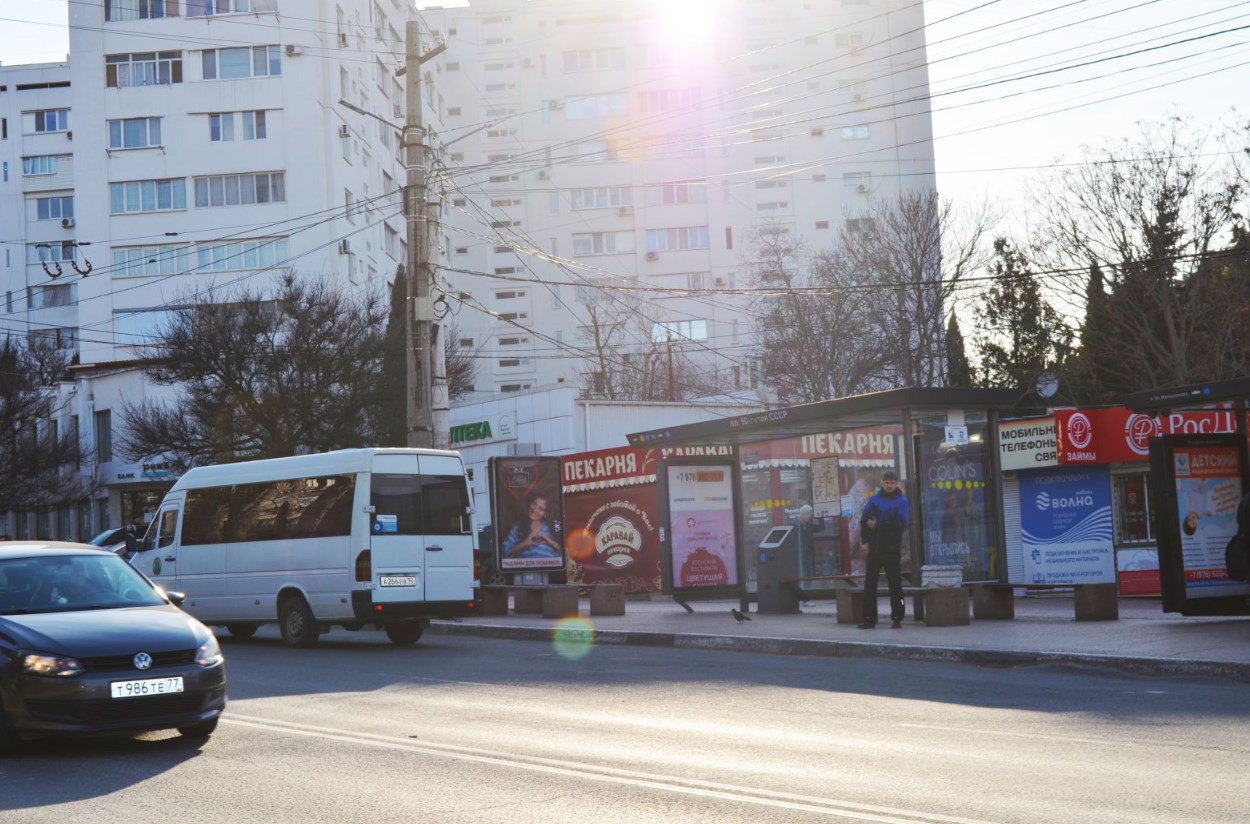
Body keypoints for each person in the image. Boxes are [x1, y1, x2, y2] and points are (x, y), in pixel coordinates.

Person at [858, 469, 909, 629]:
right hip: (874, 549)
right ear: (882, 482)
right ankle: (869, 618)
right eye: (887, 482)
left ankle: (897, 617)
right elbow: (864, 521)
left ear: (896, 483)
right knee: (870, 585)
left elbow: (901, 524)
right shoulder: (874, 500)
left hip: (892, 549)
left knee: (896, 585)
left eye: (892, 483)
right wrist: (865, 542)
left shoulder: (902, 501)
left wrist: (878, 524)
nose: (889, 485)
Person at [502, 493, 561, 558]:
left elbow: (564, 554)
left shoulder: (552, 528)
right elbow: (505, 552)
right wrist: (524, 544)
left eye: (541, 509)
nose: (535, 510)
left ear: (545, 513)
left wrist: (550, 541)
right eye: (534, 504)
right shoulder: (517, 527)